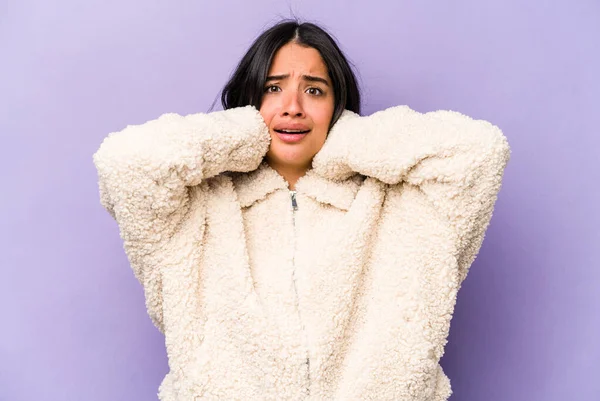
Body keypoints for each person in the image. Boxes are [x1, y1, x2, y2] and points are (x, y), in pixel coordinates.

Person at [93, 19, 510, 401]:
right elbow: (125, 162)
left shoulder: (395, 205)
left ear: (337, 105)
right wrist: (242, 133)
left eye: (314, 90)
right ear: (249, 99)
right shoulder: (195, 211)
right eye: (272, 88)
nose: (292, 106)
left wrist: (346, 140)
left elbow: (479, 153)